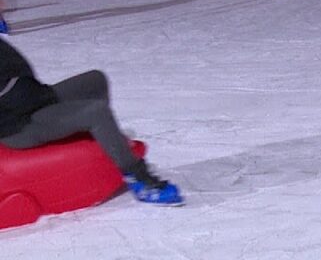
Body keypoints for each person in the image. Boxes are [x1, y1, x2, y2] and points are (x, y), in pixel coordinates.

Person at [0, 37, 183, 205]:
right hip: (20, 125)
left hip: (36, 100)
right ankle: (140, 180)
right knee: (96, 112)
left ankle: (108, 145)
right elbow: (14, 94)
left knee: (95, 80)